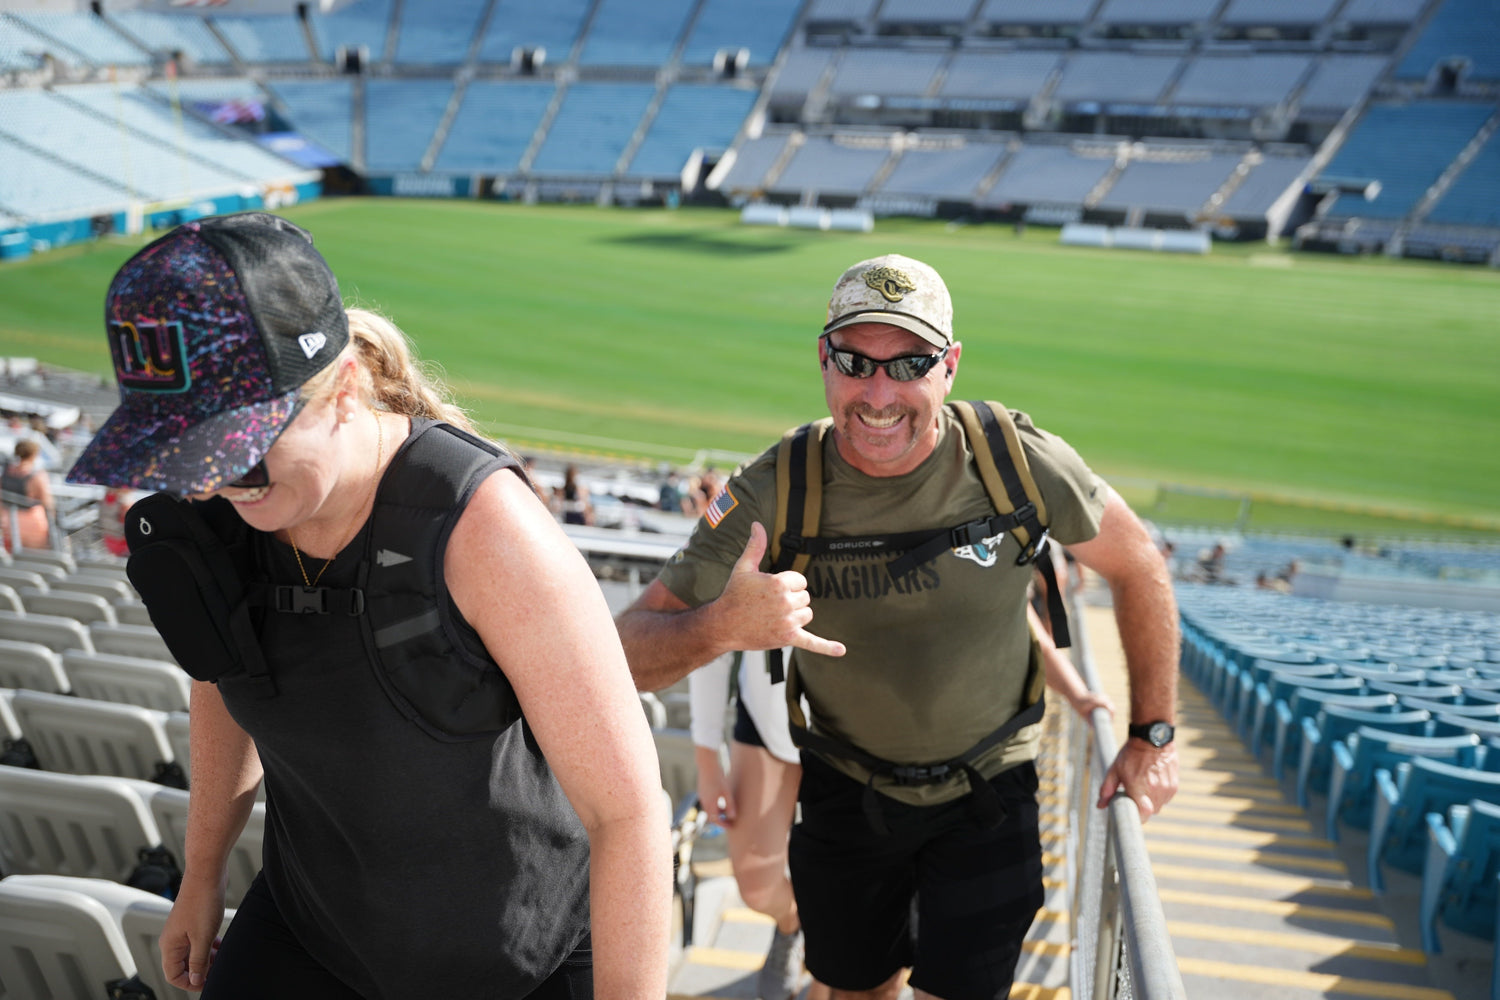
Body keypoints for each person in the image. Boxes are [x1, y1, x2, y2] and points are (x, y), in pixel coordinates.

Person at [66, 213, 670, 1000]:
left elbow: (628, 815)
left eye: (236, 449)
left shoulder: (485, 532)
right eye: (184, 454)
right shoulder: (215, 516)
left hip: (519, 964)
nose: (211, 482)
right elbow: (224, 678)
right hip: (313, 932)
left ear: (344, 387)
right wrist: (202, 875)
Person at [617, 253, 1178, 1000]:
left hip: (991, 791)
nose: (878, 392)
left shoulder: (1014, 460)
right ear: (823, 358)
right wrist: (720, 626)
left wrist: (1152, 736)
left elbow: (1140, 565)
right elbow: (623, 650)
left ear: (949, 367)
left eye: (908, 362)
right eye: (855, 361)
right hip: (847, 791)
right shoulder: (777, 486)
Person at [2, 438, 54, 550]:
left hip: (6, 522)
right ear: (34, 455)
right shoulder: (37, 476)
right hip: (31, 525)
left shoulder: (5, 473)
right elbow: (48, 504)